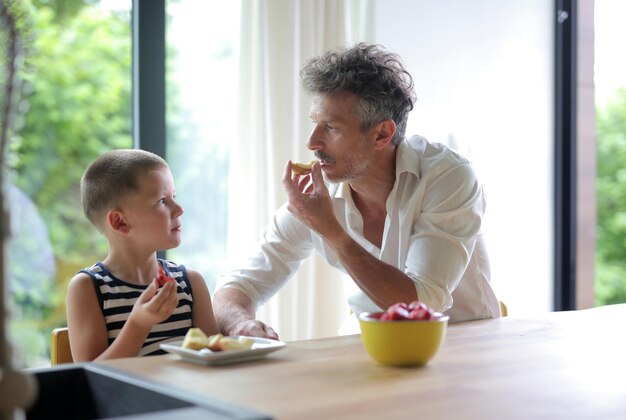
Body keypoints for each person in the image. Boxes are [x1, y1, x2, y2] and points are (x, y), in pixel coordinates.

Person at [213, 42, 501, 339]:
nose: (312, 143)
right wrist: (239, 324)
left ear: (381, 134)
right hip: (368, 349)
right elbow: (237, 285)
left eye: (331, 128)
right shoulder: (318, 201)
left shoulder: (447, 178)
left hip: (462, 348)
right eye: (315, 124)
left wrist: (333, 232)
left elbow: (422, 306)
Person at [66, 149, 219, 361]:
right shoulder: (87, 288)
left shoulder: (190, 283)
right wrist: (138, 324)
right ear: (120, 222)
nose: (179, 208)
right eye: (162, 201)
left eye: (173, 197)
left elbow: (215, 357)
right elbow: (89, 378)